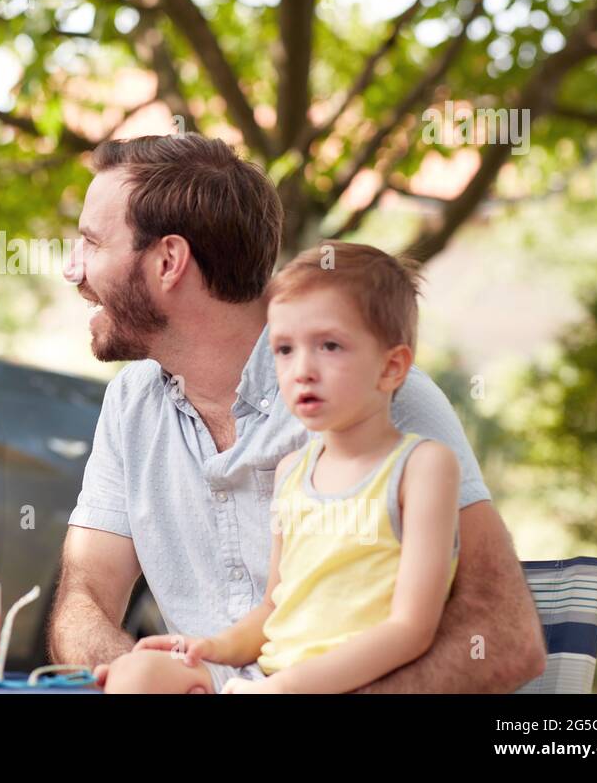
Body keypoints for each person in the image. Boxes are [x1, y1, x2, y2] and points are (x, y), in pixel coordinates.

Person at [49, 133, 545, 693]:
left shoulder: (382, 398)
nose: (73, 270)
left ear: (169, 261)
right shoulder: (129, 405)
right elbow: (83, 599)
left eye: (91, 243)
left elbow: (504, 634)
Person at [107, 243, 459, 692]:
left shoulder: (422, 467)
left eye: (329, 346)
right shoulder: (293, 470)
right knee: (138, 675)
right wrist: (212, 647)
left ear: (391, 368)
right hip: (269, 676)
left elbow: (411, 629)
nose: (302, 370)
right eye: (285, 350)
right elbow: (273, 609)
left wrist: (285, 689)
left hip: (358, 681)